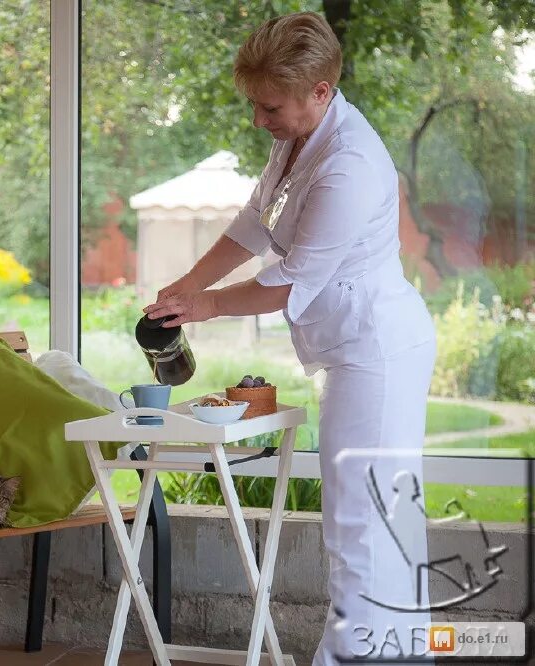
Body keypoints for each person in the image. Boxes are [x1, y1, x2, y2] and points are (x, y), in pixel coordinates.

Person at [144, 12, 436, 665]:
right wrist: (184, 285)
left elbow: (290, 283)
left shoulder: (351, 167)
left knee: (362, 532)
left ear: (320, 91)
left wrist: (205, 305)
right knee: (377, 529)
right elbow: (254, 223)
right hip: (354, 350)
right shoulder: (301, 137)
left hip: (377, 353)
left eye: (268, 107)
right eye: (255, 104)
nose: (258, 121)